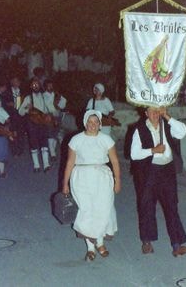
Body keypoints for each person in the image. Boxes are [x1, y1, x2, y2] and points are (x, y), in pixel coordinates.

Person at [130, 106, 186, 257]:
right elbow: (134, 154)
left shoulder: (167, 125)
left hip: (167, 171)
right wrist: (153, 150)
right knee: (146, 206)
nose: (155, 114)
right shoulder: (140, 129)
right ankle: (147, 241)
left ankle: (177, 245)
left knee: (172, 206)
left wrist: (168, 116)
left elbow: (183, 131)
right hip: (148, 172)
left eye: (157, 111)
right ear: (146, 114)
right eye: (152, 111)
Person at [62, 110, 121, 262]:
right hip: (81, 178)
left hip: (102, 177)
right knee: (87, 210)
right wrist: (65, 184)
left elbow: (114, 161)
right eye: (90, 122)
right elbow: (69, 162)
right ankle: (90, 248)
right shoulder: (76, 140)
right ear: (85, 122)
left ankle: (100, 243)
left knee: (102, 209)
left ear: (100, 124)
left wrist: (118, 180)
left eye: (96, 122)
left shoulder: (106, 139)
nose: (93, 125)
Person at [19, 77, 51, 173]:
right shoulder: (28, 98)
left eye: (37, 84)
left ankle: (46, 165)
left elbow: (49, 108)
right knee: (33, 144)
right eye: (33, 85)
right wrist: (26, 108)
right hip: (32, 123)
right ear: (30, 86)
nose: (35, 86)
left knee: (44, 143)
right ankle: (36, 165)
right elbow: (20, 111)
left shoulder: (44, 96)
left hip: (42, 122)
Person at [43, 78, 67, 160]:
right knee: (50, 133)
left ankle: (53, 151)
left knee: (56, 133)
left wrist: (58, 102)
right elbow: (49, 106)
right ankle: (52, 153)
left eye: (51, 85)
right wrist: (56, 104)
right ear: (45, 87)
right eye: (48, 86)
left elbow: (63, 102)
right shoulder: (44, 95)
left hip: (58, 115)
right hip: (49, 116)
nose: (50, 87)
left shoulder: (56, 94)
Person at [3, 75, 25, 156]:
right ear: (12, 82)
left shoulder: (22, 91)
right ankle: (14, 150)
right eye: (15, 81)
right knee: (12, 133)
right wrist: (8, 104)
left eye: (18, 81)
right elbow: (3, 103)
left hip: (20, 116)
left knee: (20, 133)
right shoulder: (7, 92)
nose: (17, 83)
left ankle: (20, 149)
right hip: (11, 116)